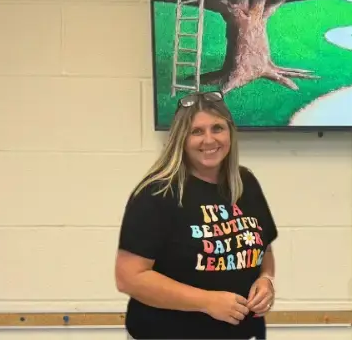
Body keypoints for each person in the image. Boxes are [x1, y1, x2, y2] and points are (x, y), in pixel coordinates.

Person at [114, 90, 279, 339]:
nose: (209, 140)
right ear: (181, 138)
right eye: (197, 132)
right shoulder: (157, 193)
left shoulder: (245, 183)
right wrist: (206, 301)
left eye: (217, 128)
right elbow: (129, 278)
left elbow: (262, 250)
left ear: (230, 133)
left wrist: (266, 280)